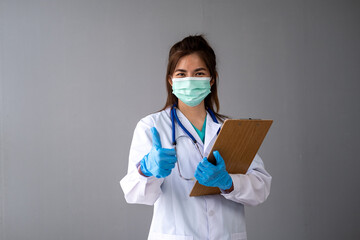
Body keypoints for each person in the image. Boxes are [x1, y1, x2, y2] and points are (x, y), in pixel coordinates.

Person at [120, 35, 272, 240]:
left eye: (198, 73)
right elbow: (133, 194)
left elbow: (261, 188)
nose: (189, 80)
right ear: (170, 80)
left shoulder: (233, 128)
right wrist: (146, 170)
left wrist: (228, 182)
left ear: (212, 78)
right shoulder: (151, 127)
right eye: (181, 74)